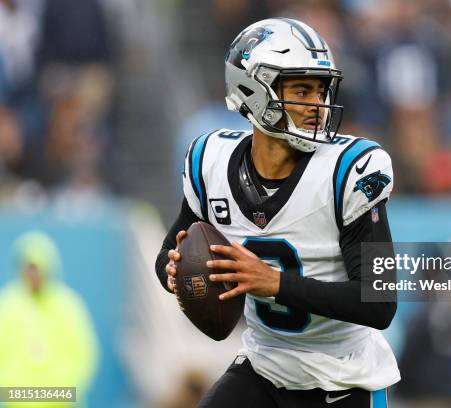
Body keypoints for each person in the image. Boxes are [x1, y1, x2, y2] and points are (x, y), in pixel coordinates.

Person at [155, 18, 399, 408]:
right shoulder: (210, 162)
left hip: (343, 379)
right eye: (301, 89)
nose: (317, 106)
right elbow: (170, 254)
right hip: (266, 368)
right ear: (252, 88)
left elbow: (381, 302)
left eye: (321, 91)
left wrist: (273, 282)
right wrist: (175, 270)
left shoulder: (350, 171)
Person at [0, 231, 99, 408]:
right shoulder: (6, 305)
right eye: (29, 268)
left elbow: (85, 354)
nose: (34, 275)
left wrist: (63, 389)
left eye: (38, 268)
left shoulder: (68, 306)